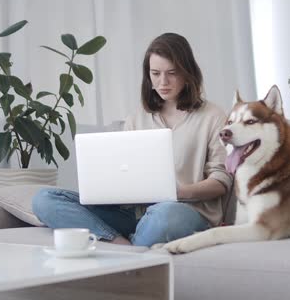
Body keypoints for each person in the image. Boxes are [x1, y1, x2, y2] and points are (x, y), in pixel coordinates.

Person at [32, 32, 233, 247]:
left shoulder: (213, 116)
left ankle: (129, 250)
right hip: (134, 214)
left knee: (165, 213)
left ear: (187, 72)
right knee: (44, 199)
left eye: (172, 73)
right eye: (155, 73)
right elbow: (124, 170)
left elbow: (221, 181)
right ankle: (121, 245)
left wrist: (177, 193)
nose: (162, 82)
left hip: (184, 213)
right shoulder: (136, 119)